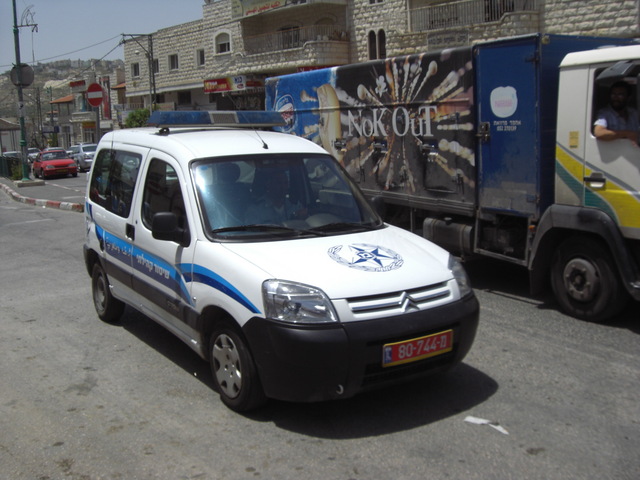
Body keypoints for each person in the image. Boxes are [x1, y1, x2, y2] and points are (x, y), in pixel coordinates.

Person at [593, 81, 639, 146]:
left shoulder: (634, 113)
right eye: (613, 94)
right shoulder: (604, 113)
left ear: (628, 98)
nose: (615, 97)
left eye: (620, 95)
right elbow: (599, 133)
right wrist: (627, 133)